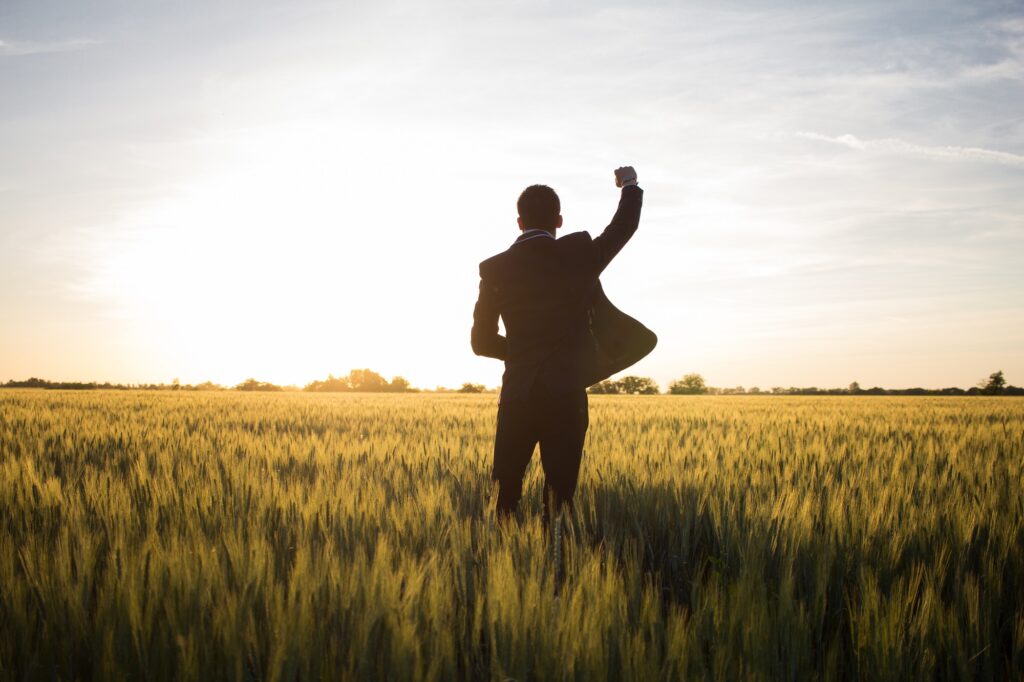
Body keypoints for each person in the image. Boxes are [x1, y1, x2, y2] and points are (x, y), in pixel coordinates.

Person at [470, 167, 650, 525]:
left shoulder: (494, 269)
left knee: (503, 495)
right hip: (566, 395)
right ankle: (557, 566)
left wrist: (524, 353)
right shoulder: (579, 255)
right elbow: (623, 228)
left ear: (519, 222)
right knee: (560, 498)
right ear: (560, 220)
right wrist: (629, 185)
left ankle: (501, 561)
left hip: (518, 395)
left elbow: (481, 343)